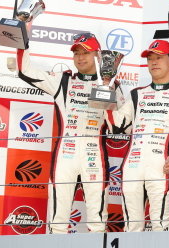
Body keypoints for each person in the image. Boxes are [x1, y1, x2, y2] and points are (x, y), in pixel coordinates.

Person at [16, 33, 125, 233]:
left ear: (98, 56)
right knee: (57, 220)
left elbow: (117, 126)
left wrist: (106, 86)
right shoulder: (62, 81)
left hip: (95, 155)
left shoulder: (113, 85)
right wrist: (22, 32)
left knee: (97, 221)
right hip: (65, 154)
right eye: (76, 53)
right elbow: (25, 70)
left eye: (86, 52)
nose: (80, 57)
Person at [111, 40, 169, 232]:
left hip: (161, 168)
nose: (154, 62)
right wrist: (107, 89)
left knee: (160, 225)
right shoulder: (136, 94)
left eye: (159, 58)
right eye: (150, 59)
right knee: (132, 227)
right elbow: (117, 126)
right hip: (132, 166)